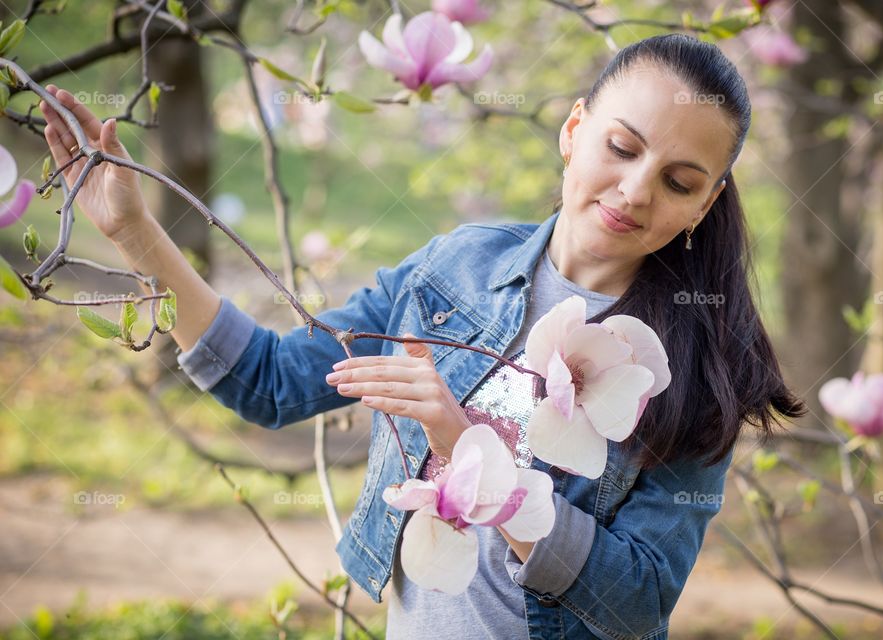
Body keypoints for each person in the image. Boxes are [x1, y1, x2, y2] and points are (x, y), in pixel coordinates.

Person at [41, 32, 805, 640]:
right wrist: (134, 232)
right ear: (575, 130)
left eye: (678, 181)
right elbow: (271, 382)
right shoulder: (454, 270)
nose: (636, 190)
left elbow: (637, 602)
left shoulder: (694, 370)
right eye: (623, 147)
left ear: (704, 205)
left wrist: (467, 446)